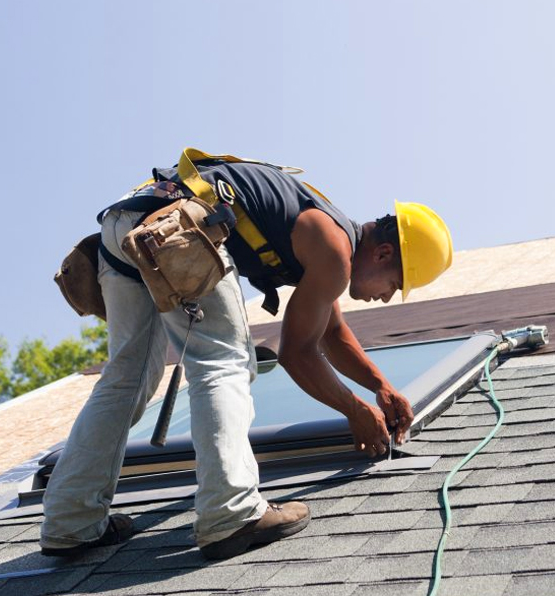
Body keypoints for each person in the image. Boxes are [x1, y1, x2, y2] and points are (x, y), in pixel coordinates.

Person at [39, 150, 453, 560]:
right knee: (224, 360)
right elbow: (298, 353)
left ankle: (70, 522)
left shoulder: (329, 233)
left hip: (127, 225)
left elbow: (332, 332)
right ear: (382, 254)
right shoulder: (334, 251)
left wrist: (381, 387)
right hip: (177, 228)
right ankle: (231, 513)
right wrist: (355, 410)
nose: (385, 297)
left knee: (127, 379)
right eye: (394, 283)